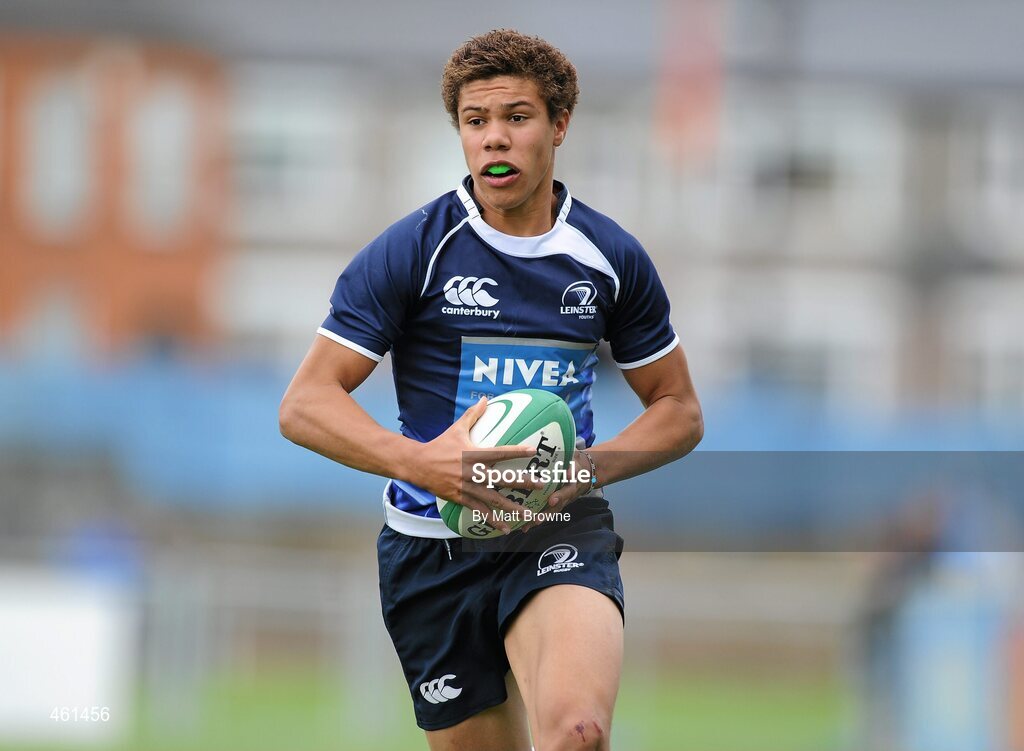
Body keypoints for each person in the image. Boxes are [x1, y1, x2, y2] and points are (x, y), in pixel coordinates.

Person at [279, 29, 703, 751]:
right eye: (476, 122)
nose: (494, 139)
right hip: (428, 551)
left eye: (517, 117)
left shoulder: (608, 258)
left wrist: (581, 470)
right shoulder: (413, 250)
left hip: (557, 528)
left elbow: (679, 411)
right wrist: (421, 462)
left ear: (559, 125)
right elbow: (305, 404)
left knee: (577, 731)